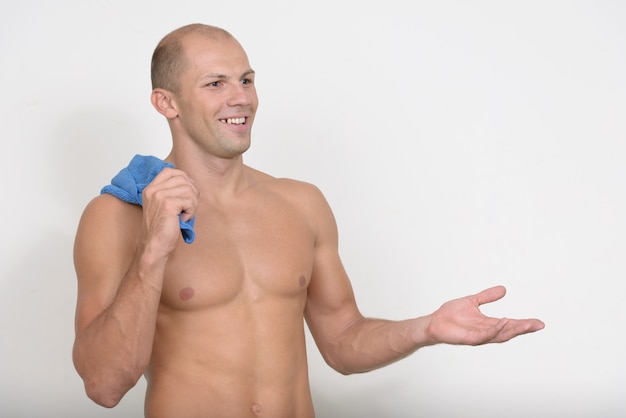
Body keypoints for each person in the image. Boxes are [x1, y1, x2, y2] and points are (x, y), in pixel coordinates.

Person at [72, 23, 544, 418]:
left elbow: (342, 341)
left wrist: (427, 329)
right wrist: (153, 249)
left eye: (247, 80)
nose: (241, 98)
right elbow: (104, 384)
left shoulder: (300, 203)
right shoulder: (118, 217)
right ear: (167, 103)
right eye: (215, 83)